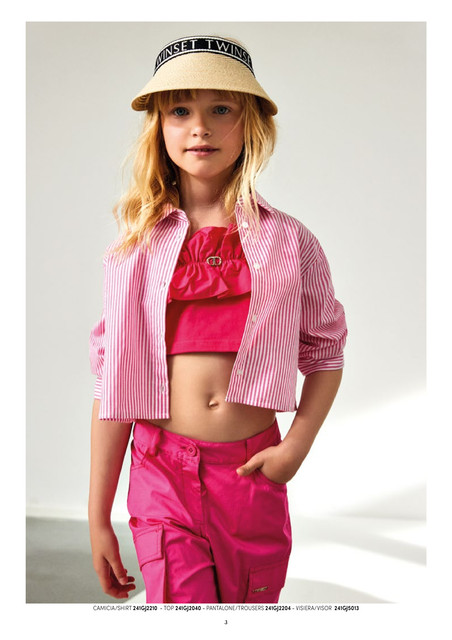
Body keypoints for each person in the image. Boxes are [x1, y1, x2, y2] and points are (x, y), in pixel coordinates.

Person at [88, 35, 347, 604]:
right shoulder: (134, 249)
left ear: (249, 124)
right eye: (180, 111)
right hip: (161, 470)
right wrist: (98, 515)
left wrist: (295, 448)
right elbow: (112, 382)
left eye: (221, 109)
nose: (200, 127)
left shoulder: (290, 242)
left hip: (250, 471)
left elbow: (326, 354)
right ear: (159, 127)